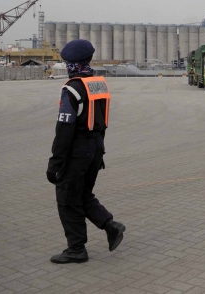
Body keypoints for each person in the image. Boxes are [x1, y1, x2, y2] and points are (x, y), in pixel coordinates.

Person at [46, 39, 125, 264]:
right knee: (82, 194)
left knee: (67, 198)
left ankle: (76, 249)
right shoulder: (98, 83)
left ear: (70, 63)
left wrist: (55, 164)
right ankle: (111, 226)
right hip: (96, 147)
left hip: (79, 150)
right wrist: (97, 152)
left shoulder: (71, 88)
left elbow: (64, 131)